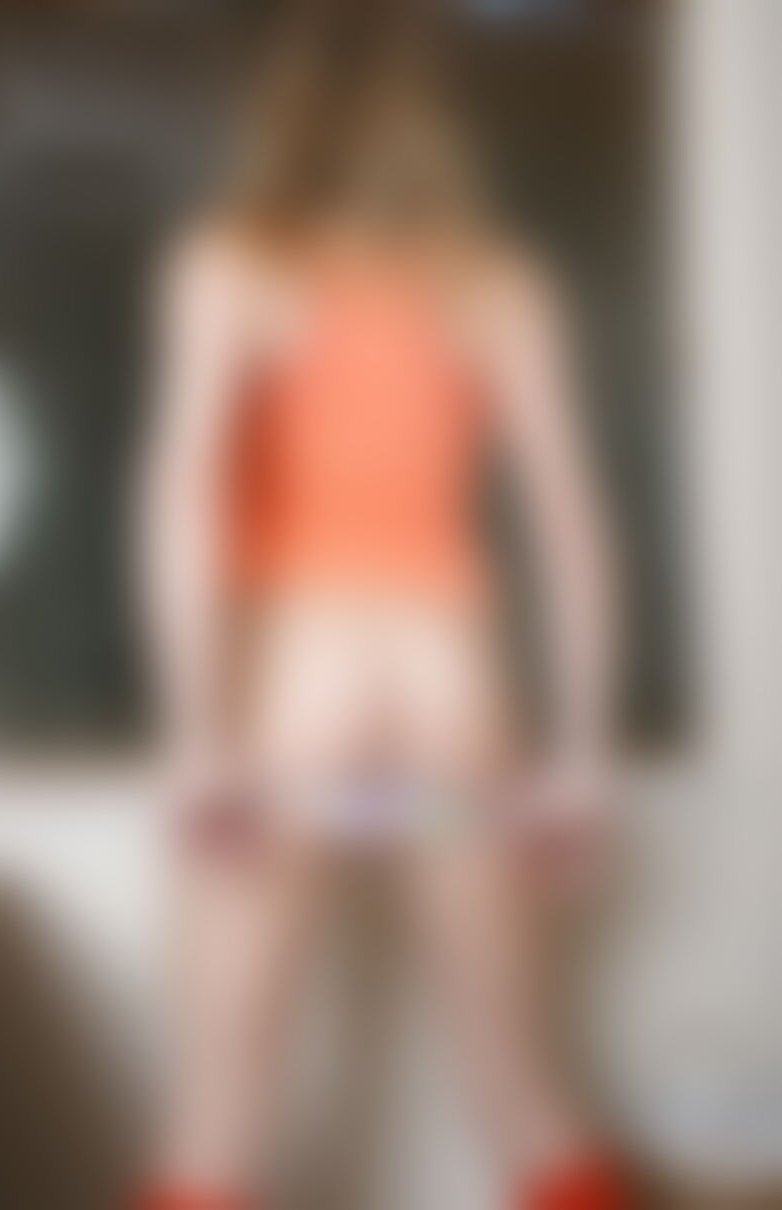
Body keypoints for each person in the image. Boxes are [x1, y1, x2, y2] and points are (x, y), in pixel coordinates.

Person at [132, 23, 626, 1210]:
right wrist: (582, 754)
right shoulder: (497, 284)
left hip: (294, 719)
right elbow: (572, 527)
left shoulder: (232, 268)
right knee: (523, 1087)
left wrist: (198, 737)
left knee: (219, 1112)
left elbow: (181, 504)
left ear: (280, 126)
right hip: (447, 710)